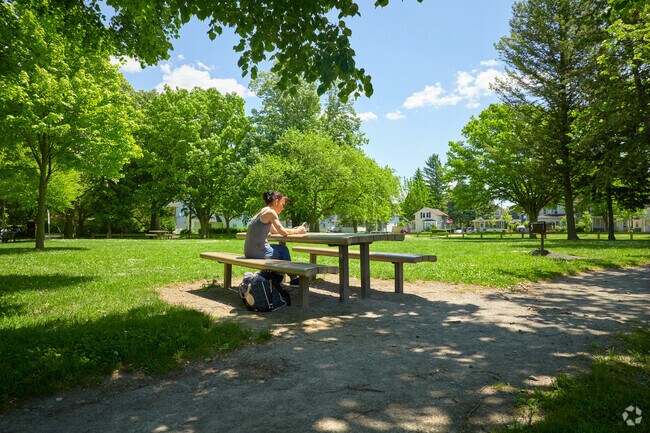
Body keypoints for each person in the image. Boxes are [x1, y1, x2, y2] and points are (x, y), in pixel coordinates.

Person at [244, 191, 307, 286]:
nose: (283, 207)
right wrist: (299, 230)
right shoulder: (271, 212)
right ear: (276, 201)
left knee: (281, 249)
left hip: (249, 251)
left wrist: (293, 230)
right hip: (257, 251)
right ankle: (293, 279)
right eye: (282, 204)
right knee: (283, 250)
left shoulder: (262, 211)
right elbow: (283, 233)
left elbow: (274, 230)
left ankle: (275, 276)